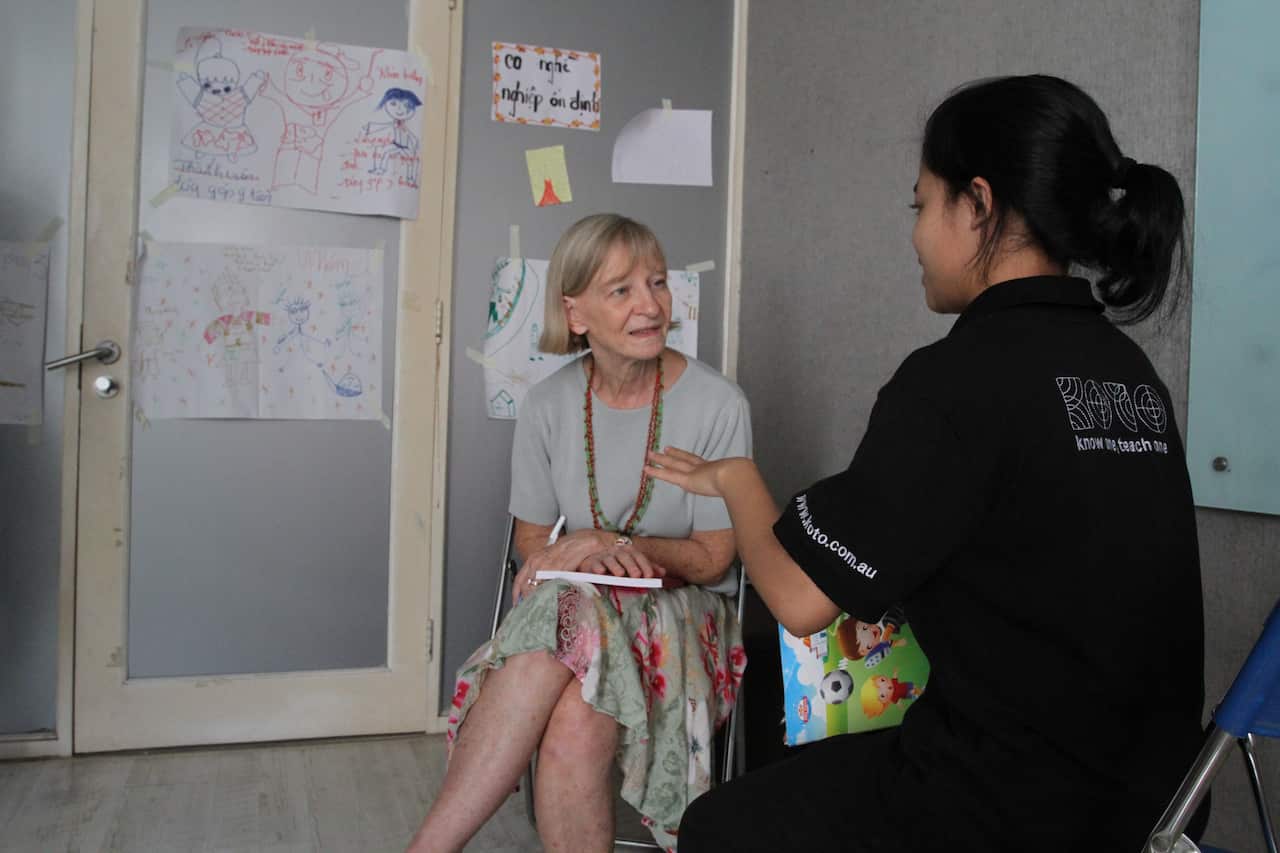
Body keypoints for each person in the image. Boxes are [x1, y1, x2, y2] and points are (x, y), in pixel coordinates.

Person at [646, 75, 1207, 852]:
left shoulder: (958, 378)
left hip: (1013, 805)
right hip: (1157, 801)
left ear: (977, 204)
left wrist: (736, 478)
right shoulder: (1129, 374)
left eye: (921, 205)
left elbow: (799, 600)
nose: (914, 235)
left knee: (720, 825)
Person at [406, 214, 750, 853]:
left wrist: (614, 544)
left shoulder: (718, 404)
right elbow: (533, 548)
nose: (651, 305)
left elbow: (712, 559)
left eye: (657, 283)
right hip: (578, 618)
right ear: (575, 311)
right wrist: (585, 551)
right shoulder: (547, 405)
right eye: (622, 290)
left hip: (681, 615)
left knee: (565, 616)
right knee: (574, 711)